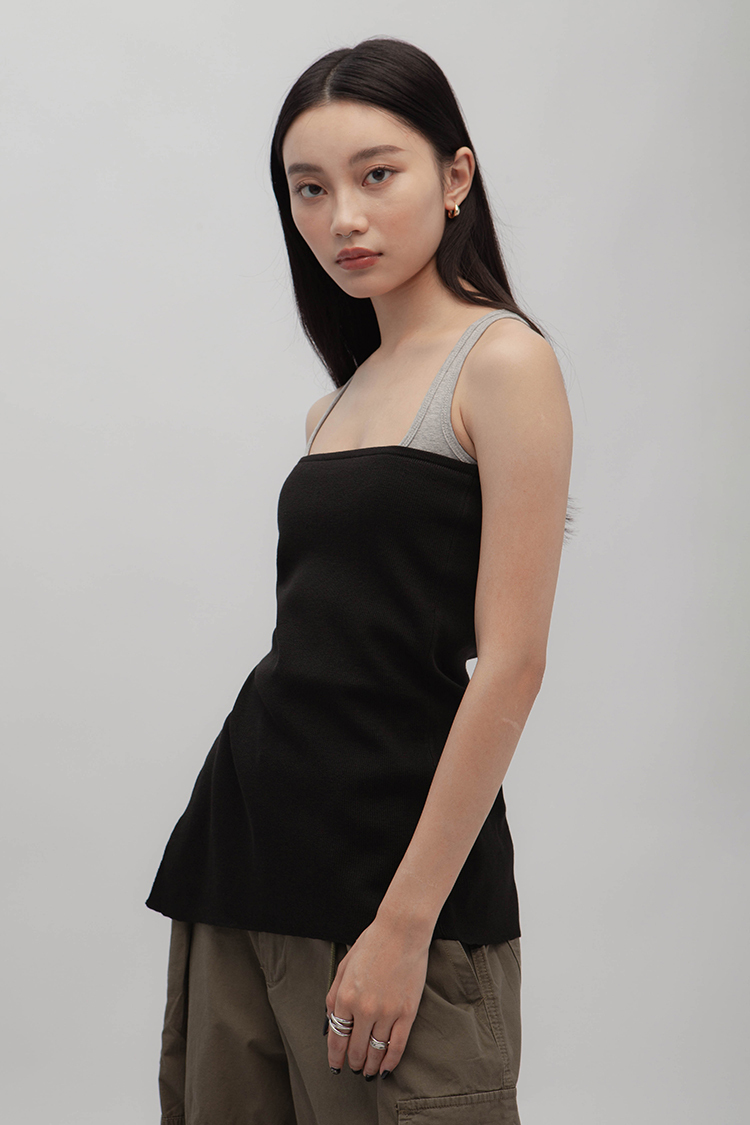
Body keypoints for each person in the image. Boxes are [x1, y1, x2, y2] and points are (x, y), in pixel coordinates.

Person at [147, 35, 573, 1125]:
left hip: (395, 885)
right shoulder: (333, 405)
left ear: (456, 176)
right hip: (240, 862)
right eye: (310, 188)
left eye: (377, 175)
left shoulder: (503, 363)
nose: (343, 217)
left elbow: (513, 664)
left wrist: (404, 923)